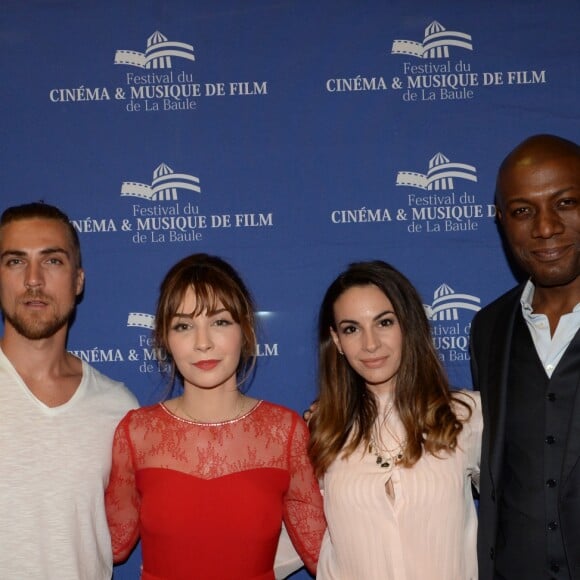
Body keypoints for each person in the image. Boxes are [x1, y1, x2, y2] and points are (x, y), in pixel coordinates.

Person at [105, 253, 326, 580]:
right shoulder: (136, 433)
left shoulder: (285, 433)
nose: (203, 343)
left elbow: (325, 555)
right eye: (183, 326)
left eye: (220, 322)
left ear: (245, 331)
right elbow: (113, 544)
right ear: (165, 340)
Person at [308, 260, 482, 580]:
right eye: (351, 329)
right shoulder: (321, 432)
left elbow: (525, 515)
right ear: (337, 342)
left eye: (384, 322)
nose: (370, 343)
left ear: (409, 325)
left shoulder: (467, 416)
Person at [0, 202, 138, 579]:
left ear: (78, 281)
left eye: (52, 261)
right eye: (15, 261)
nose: (33, 279)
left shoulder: (117, 407)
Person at [470, 134, 580, 579]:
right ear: (501, 220)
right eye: (522, 211)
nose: (545, 227)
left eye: (567, 203)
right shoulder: (489, 327)